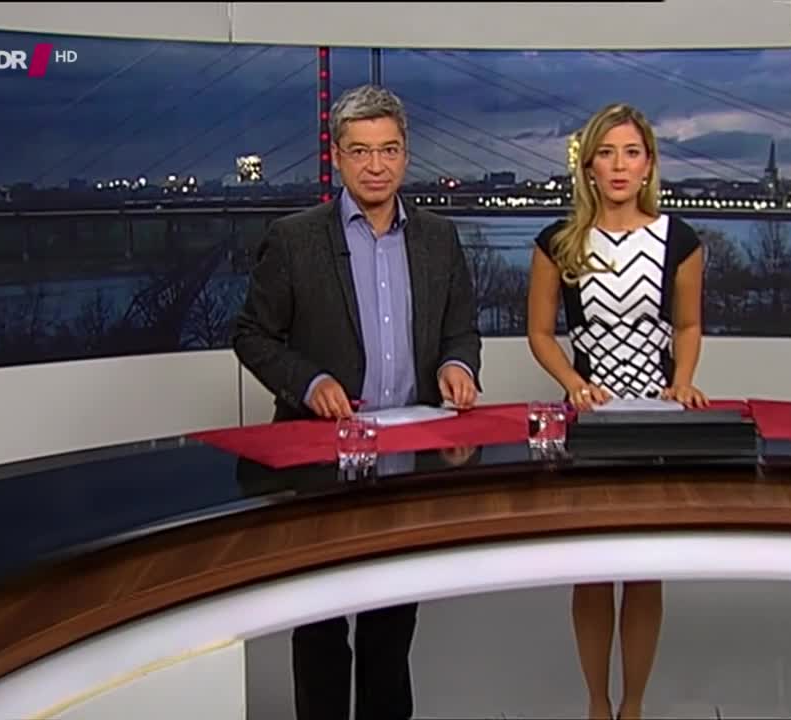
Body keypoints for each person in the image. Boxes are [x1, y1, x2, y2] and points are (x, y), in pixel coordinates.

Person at [232, 83, 482, 720]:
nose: (376, 165)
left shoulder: (439, 239)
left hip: (407, 461)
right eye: (361, 151)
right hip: (320, 462)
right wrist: (308, 381)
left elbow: (460, 330)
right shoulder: (294, 239)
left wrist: (457, 365)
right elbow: (251, 334)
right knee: (319, 628)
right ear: (338, 158)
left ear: (406, 155)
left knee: (390, 631)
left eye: (389, 150)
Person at [525, 103, 709, 720]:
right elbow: (540, 333)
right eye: (606, 153)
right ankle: (597, 704)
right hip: (588, 424)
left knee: (644, 568)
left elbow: (688, 325)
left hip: (656, 423)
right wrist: (573, 384)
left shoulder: (680, 241)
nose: (620, 165)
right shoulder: (558, 242)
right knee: (592, 568)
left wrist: (682, 383)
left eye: (631, 152)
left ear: (649, 163)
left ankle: (633, 705)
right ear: (589, 167)